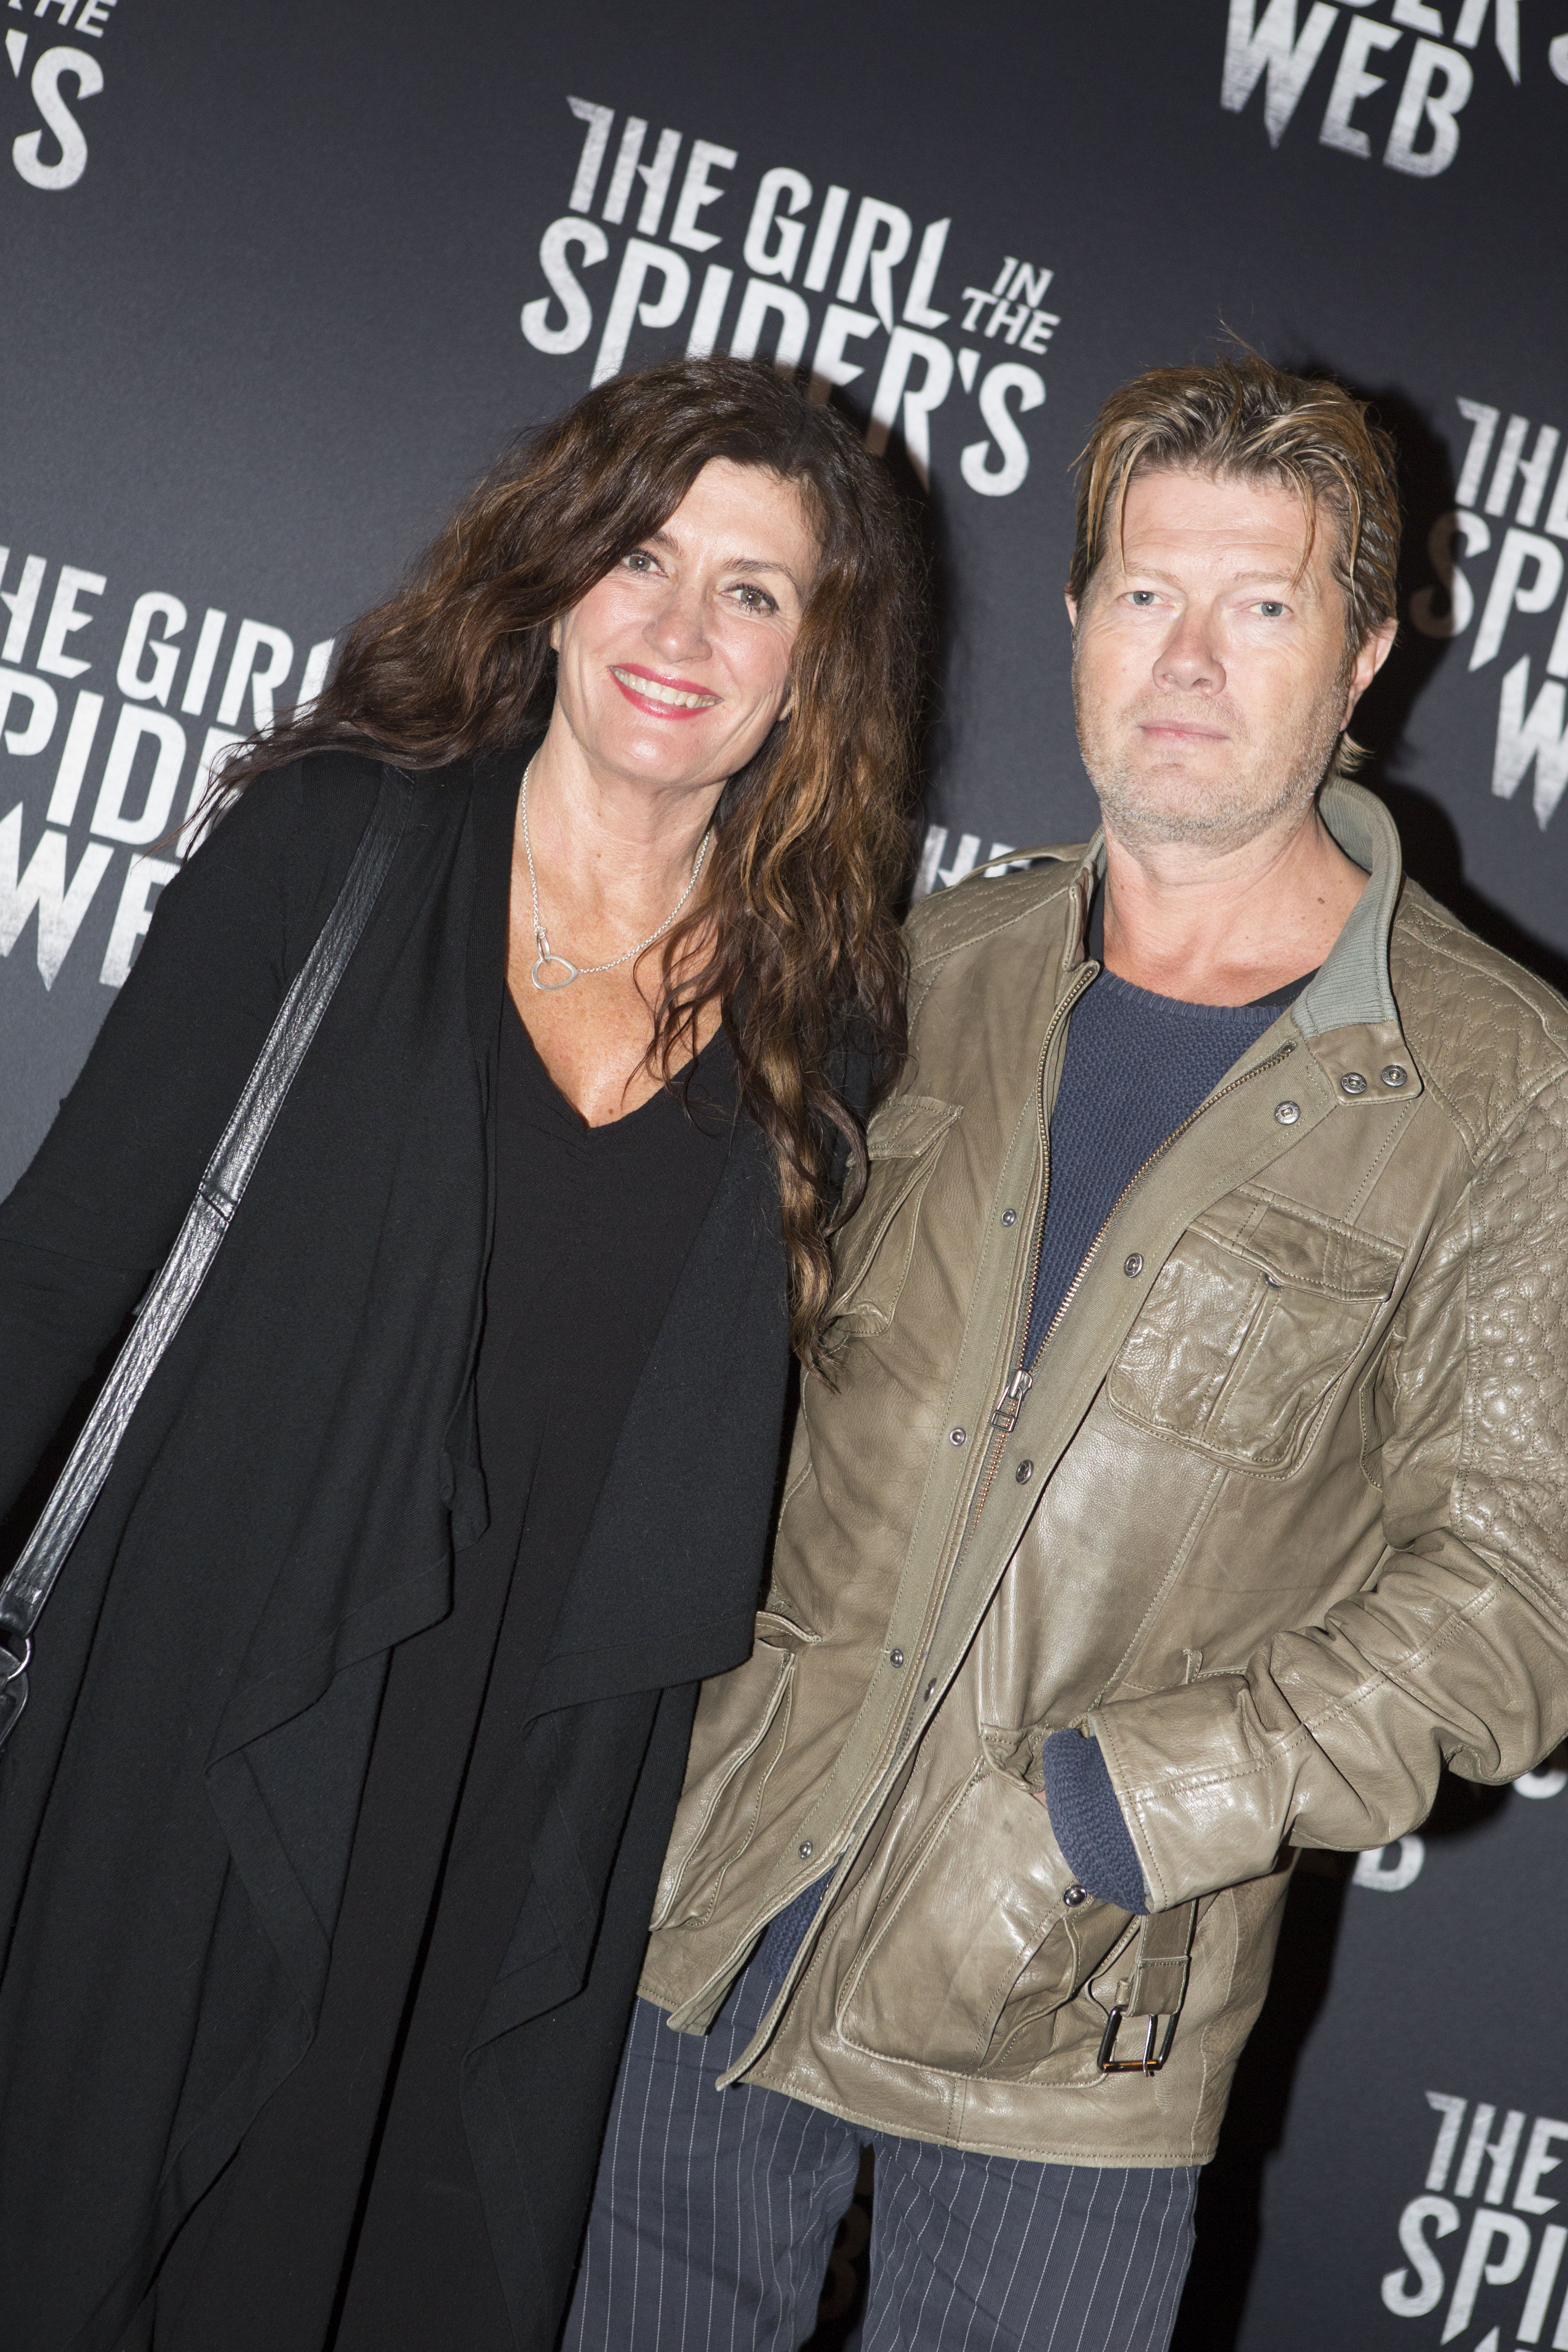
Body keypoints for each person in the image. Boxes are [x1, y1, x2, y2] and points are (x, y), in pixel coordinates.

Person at [568, 353, 1568, 2352]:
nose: (1187, 659)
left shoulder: (1505, 1086)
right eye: (1144, 594)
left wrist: (1112, 1818)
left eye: (1260, 605)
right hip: (715, 1927)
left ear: (1365, 656)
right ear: (1079, 621)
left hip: (1077, 2026)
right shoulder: (926, 967)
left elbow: (1516, 1609)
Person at [0, 353, 924, 2352]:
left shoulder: (823, 1025)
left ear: (814, 668)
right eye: (644, 559)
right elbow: (58, 1273)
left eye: (754, 593)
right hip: (202, 1725)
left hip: (520, 1824)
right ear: (560, 575)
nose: (683, 631)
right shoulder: (340, 847)